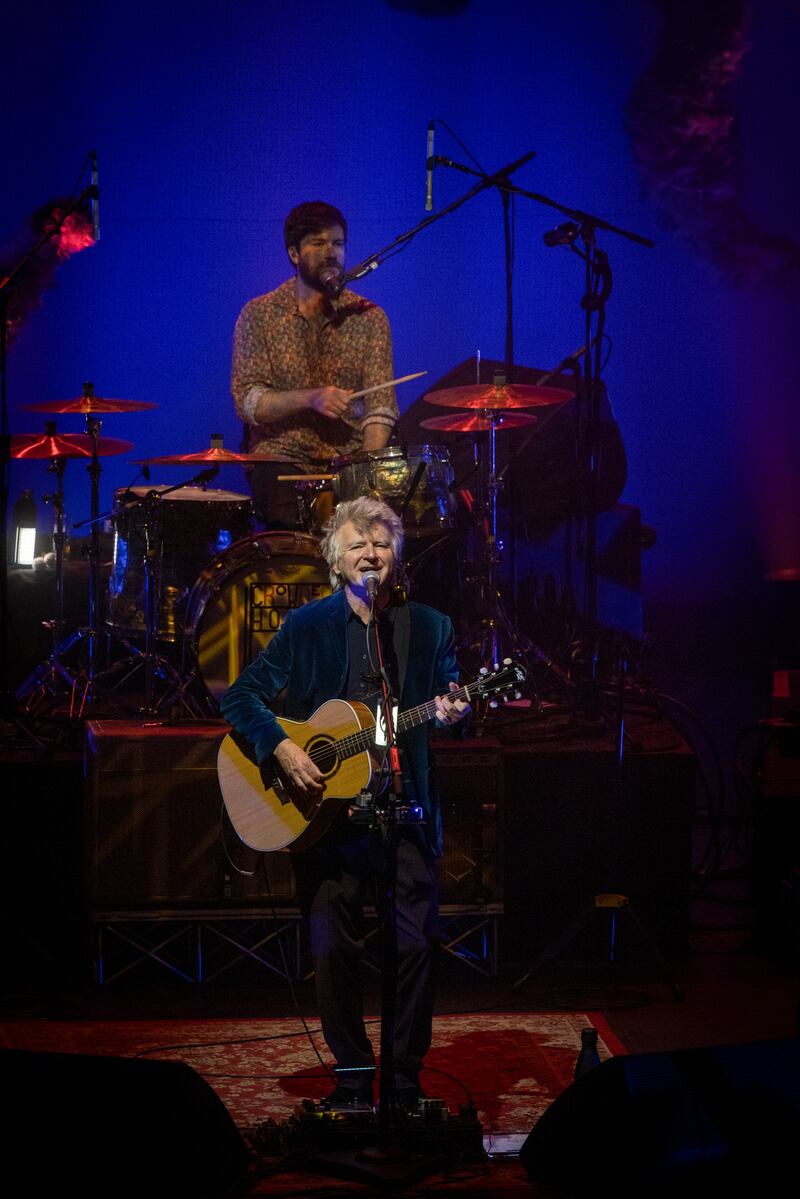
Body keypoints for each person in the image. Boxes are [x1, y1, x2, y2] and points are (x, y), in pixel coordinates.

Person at [219, 496, 470, 1109]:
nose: (371, 553)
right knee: (333, 951)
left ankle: (404, 1080)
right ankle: (354, 1078)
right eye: (358, 543)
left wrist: (457, 710)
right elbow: (240, 697)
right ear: (336, 559)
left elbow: (453, 711)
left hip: (404, 813)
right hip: (326, 821)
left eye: (381, 543)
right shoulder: (307, 627)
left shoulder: (430, 627)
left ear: (396, 558)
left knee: (415, 946)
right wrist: (282, 747)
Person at [231, 200, 398, 530]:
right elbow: (248, 402)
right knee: (295, 527)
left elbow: (381, 407)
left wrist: (364, 472)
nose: (331, 252)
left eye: (338, 243)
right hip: (281, 458)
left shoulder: (369, 317)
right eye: (318, 243)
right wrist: (310, 397)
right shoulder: (259, 314)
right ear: (294, 254)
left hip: (348, 461)